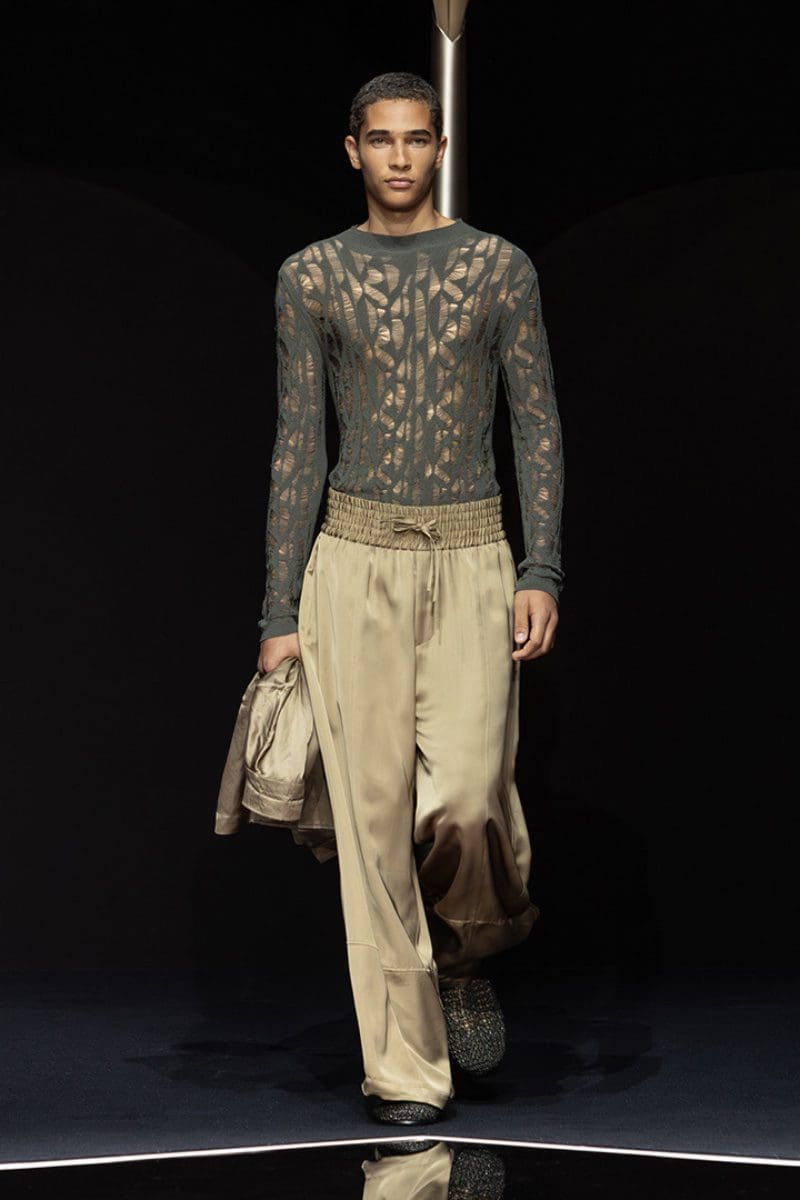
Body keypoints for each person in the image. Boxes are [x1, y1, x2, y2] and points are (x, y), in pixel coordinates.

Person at [256, 70, 564, 1126]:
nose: (398, 156)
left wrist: (540, 569)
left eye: (415, 138)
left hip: (473, 558)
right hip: (349, 564)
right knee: (373, 830)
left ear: (438, 148)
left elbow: (535, 424)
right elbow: (297, 445)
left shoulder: (500, 269)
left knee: (466, 799)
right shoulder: (310, 276)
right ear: (353, 150)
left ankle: (462, 953)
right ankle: (404, 1072)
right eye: (380, 139)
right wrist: (277, 616)